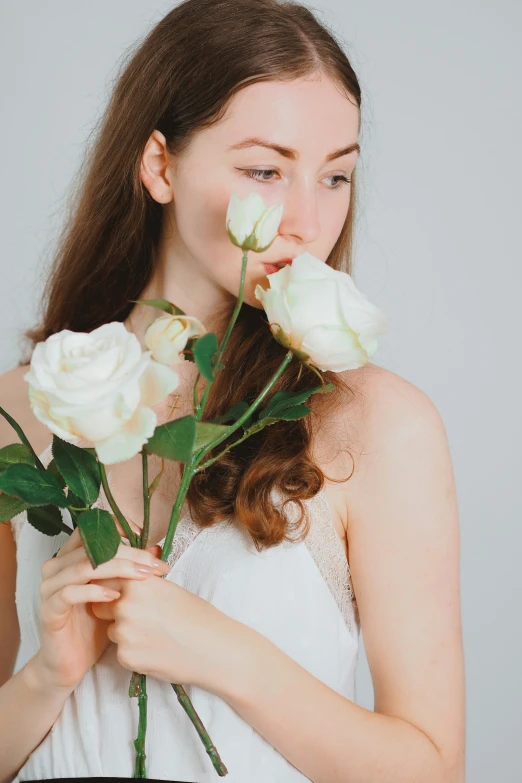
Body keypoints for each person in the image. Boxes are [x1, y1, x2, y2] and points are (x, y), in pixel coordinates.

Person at [0, 0, 466, 781]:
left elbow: (432, 768)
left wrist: (225, 654)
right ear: (159, 165)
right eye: (264, 170)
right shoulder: (22, 405)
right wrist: (48, 674)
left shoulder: (377, 426)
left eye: (336, 176)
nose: (306, 220)